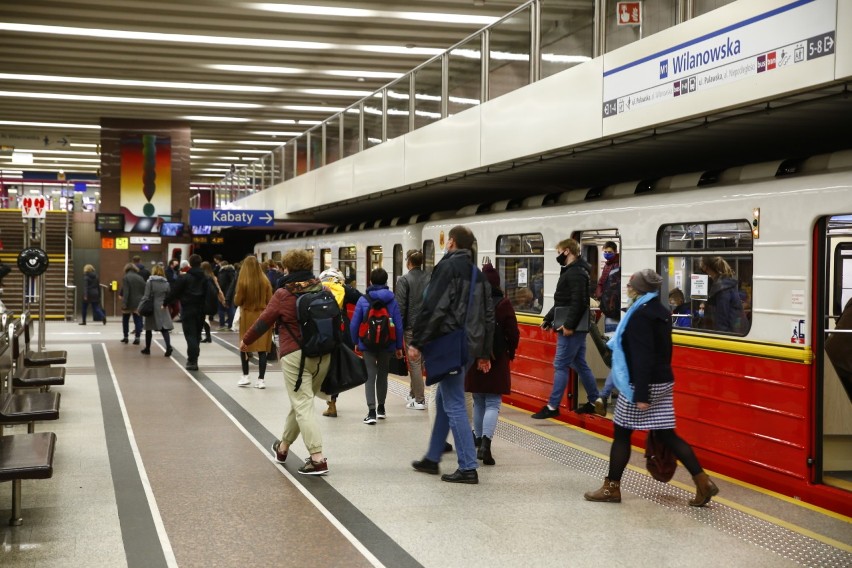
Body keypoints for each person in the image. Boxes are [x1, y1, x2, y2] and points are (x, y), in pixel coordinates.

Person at [584, 269, 719, 507]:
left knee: (622, 435)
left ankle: (611, 488)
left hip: (639, 383)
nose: (626, 288)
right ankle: (703, 481)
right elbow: (664, 351)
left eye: (629, 285)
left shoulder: (639, 316)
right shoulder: (661, 311)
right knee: (668, 434)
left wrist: (642, 393)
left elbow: (643, 356)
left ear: (638, 289)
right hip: (663, 381)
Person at [409, 225, 494, 484]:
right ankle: (433, 458)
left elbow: (433, 307)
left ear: (452, 242)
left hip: (449, 344)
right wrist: (485, 352)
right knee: (445, 401)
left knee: (454, 403)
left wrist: (418, 342)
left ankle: (468, 466)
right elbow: (487, 315)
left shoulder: (447, 268)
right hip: (468, 347)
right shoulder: (477, 274)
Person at [241, 249, 332, 476]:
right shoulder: (322, 287)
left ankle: (317, 459)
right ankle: (282, 449)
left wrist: (246, 341)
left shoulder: (284, 293)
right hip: (323, 353)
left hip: (295, 355)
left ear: (287, 268)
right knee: (301, 402)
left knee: (302, 404)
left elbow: (264, 321)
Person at [532, 238, 604, 418]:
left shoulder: (576, 273)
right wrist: (549, 319)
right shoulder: (573, 271)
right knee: (579, 363)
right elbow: (562, 301)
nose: (557, 256)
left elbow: (579, 302)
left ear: (567, 251)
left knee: (560, 365)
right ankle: (594, 400)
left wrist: (570, 325)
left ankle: (552, 406)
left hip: (571, 329)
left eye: (559, 252)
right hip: (574, 326)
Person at [466, 263, 519, 466]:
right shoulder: (503, 303)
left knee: (479, 400)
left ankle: (478, 441)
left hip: (475, 357)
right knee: (493, 403)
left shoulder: (473, 302)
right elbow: (513, 333)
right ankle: (486, 445)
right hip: (497, 358)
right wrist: (510, 351)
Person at [350, 267, 404, 425]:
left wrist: (356, 342)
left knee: (370, 376)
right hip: (387, 344)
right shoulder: (392, 300)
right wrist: (399, 346)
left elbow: (354, 324)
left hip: (367, 344)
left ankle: (371, 412)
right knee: (383, 374)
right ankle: (381, 409)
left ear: (371, 281)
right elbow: (398, 325)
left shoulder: (363, 300)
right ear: (386, 282)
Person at [318, 268, 361, 418]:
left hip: (323, 332)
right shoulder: (345, 289)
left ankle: (330, 403)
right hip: (342, 332)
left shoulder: (318, 288)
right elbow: (362, 300)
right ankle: (332, 401)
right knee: (337, 367)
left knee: (327, 367)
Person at [395, 249, 430, 411]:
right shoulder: (430, 277)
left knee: (414, 363)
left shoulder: (404, 280)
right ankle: (412, 393)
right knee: (420, 361)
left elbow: (401, 307)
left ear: (408, 262)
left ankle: (420, 399)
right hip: (427, 326)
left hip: (412, 327)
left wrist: (398, 330)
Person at [163, 254, 207, 371]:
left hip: (188, 309)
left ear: (190, 264)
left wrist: (165, 302)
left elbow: (174, 292)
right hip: (201, 310)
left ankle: (192, 361)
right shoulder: (205, 278)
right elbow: (212, 292)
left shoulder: (185, 278)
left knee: (190, 335)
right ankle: (195, 358)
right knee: (197, 335)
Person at [234, 255, 273, 389]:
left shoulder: (243, 282)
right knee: (262, 350)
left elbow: (237, 301)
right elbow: (270, 301)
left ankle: (245, 376)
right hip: (263, 318)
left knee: (245, 346)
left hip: (247, 317)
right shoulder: (265, 281)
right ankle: (261, 379)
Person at [700, 256, 748, 333]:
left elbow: (721, 321)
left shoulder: (721, 289)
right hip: (736, 331)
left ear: (705, 267)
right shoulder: (726, 283)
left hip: (730, 335)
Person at [138, 264, 174, 357]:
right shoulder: (166, 283)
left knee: (149, 328)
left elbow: (146, 296)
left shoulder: (150, 282)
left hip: (151, 307)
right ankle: (168, 346)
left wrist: (140, 307)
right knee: (164, 328)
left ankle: (147, 348)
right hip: (162, 307)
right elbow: (169, 295)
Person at [595, 241, 621, 333]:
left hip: (612, 305)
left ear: (615, 251)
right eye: (605, 252)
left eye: (609, 252)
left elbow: (612, 287)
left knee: (611, 334)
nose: (607, 254)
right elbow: (601, 281)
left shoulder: (617, 265)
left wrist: (602, 296)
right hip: (607, 303)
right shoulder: (607, 264)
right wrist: (599, 295)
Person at [119, 263, 146, 344]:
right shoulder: (140, 277)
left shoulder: (126, 277)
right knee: (137, 320)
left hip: (129, 302)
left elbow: (126, 291)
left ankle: (125, 337)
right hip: (138, 302)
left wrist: (124, 303)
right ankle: (137, 337)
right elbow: (144, 290)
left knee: (125, 320)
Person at [200, 261, 226, 343]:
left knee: (202, 318)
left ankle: (203, 336)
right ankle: (207, 336)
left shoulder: (202, 277)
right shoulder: (213, 277)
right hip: (212, 301)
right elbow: (218, 290)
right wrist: (223, 300)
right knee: (205, 318)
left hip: (203, 300)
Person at [216, 259, 236, 330]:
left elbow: (222, 284)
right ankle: (231, 325)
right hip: (231, 293)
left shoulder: (222, 272)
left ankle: (222, 325)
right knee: (230, 309)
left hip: (224, 293)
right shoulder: (233, 271)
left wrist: (220, 293)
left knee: (221, 309)